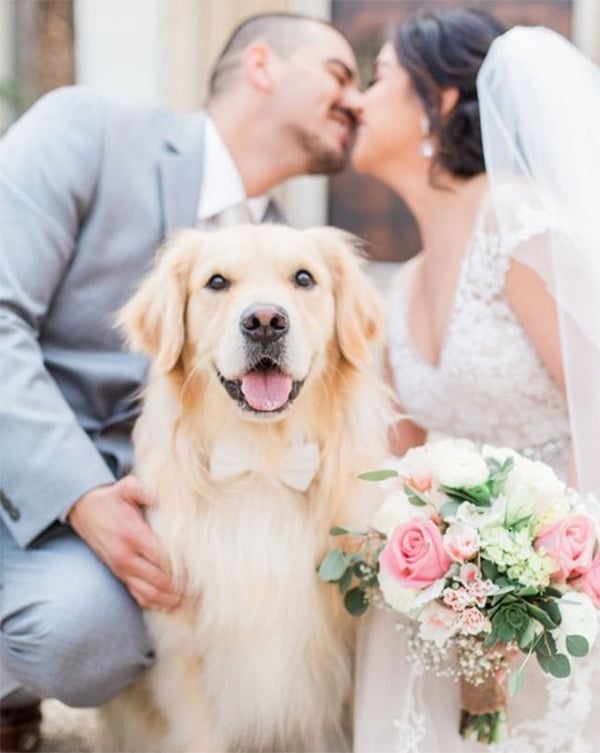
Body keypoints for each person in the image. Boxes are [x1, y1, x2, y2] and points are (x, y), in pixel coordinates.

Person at [0, 12, 360, 751]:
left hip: (156, 512)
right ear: (262, 66)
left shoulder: (283, 250)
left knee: (131, 622)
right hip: (24, 487)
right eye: (340, 74)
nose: (357, 101)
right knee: (84, 632)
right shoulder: (85, 130)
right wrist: (81, 493)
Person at [350, 7, 600, 752]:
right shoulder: (405, 284)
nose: (357, 101)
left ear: (442, 100)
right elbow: (395, 464)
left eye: (379, 78)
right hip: (442, 612)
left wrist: (547, 583)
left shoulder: (518, 225)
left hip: (560, 603)